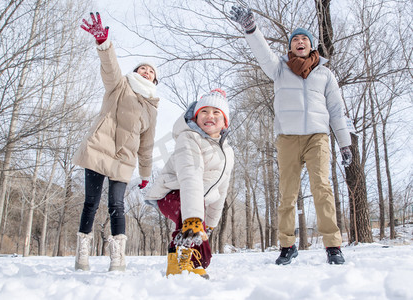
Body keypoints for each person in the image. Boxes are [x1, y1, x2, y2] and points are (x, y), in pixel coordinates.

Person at [230, 4, 352, 265]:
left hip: (317, 137)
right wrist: (251, 29)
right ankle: (287, 245)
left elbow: (336, 110)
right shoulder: (279, 69)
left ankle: (333, 245)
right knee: (287, 192)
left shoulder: (325, 74)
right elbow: (263, 54)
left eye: (304, 39)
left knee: (323, 188)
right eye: (295, 39)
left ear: (311, 45)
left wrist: (345, 144)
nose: (299, 42)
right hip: (287, 137)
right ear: (290, 46)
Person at [72, 12, 160, 272]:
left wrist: (145, 173)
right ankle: (82, 254)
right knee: (91, 201)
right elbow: (110, 67)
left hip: (123, 158)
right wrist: (104, 43)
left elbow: (147, 144)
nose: (146, 70)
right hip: (99, 148)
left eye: (151, 70)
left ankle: (118, 258)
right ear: (135, 72)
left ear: (154, 80)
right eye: (142, 67)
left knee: (116, 205)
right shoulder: (119, 86)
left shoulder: (152, 108)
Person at [145, 89, 234, 279]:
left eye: (216, 112)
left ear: (225, 121)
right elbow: (190, 175)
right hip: (170, 193)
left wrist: (209, 223)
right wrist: (194, 217)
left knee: (205, 253)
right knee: (190, 217)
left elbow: (222, 190)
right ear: (196, 116)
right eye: (204, 111)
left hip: (197, 201)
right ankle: (182, 261)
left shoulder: (228, 152)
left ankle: (190, 260)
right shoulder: (189, 137)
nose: (209, 115)